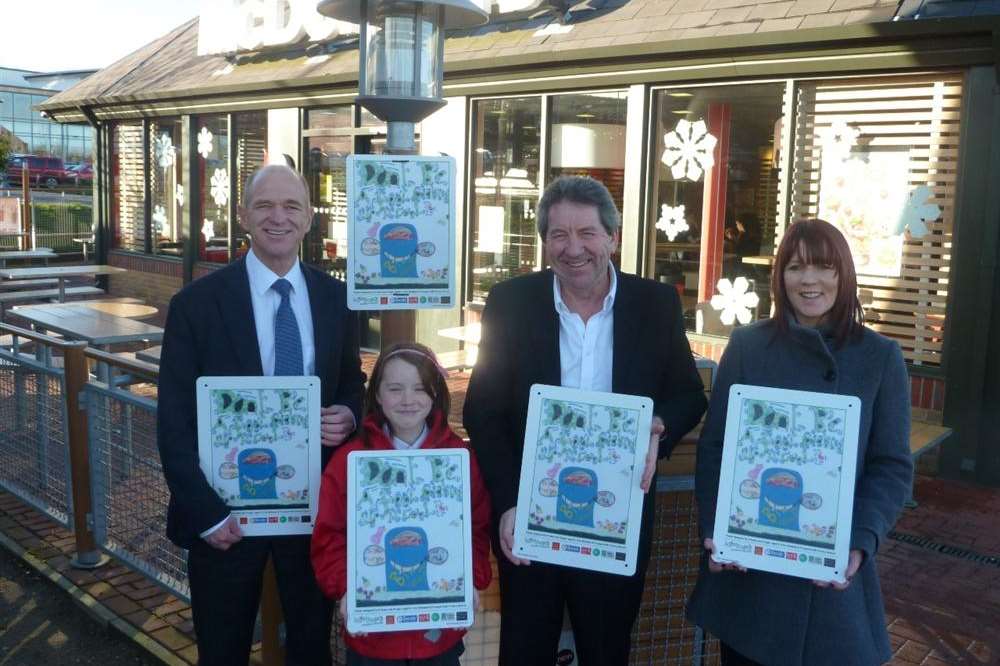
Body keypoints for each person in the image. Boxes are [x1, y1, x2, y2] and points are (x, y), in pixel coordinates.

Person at [463, 175, 707, 665]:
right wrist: (509, 504)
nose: (573, 248)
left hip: (616, 517)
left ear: (612, 238)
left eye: (587, 233)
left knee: (605, 649)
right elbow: (483, 412)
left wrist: (660, 425)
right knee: (524, 650)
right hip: (531, 520)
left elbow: (688, 394)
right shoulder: (511, 304)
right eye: (559, 234)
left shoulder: (655, 304)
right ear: (545, 242)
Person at [157, 163, 365, 665]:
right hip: (227, 514)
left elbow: (350, 381)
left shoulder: (337, 298)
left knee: (312, 647)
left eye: (292, 206)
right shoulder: (196, 305)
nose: (279, 217)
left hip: (312, 509)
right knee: (223, 648)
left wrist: (348, 414)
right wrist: (204, 513)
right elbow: (173, 419)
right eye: (265, 205)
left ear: (310, 219)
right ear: (244, 215)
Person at [687, 218, 913, 665]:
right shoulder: (748, 346)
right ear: (780, 277)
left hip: (828, 576)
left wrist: (859, 540)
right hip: (750, 575)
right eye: (795, 267)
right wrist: (718, 529)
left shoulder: (880, 357)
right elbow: (716, 449)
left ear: (843, 275)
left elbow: (891, 466)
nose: (809, 280)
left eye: (824, 267)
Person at [311, 342, 493, 665]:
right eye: (395, 388)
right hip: (372, 638)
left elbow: (477, 527)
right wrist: (345, 588)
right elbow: (329, 536)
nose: (408, 400)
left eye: (420, 389)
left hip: (438, 635)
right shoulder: (350, 462)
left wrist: (471, 578)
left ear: (435, 393)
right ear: (377, 394)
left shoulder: (458, 460)